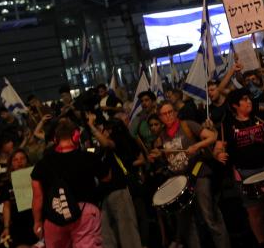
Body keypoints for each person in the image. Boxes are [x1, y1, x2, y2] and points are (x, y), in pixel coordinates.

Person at [214, 88, 264, 248]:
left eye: (249, 99)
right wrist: (218, 154)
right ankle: (262, 242)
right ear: (235, 105)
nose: (249, 102)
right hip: (245, 172)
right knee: (254, 210)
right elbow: (218, 148)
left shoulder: (261, 116)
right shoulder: (227, 125)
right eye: (244, 100)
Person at [149, 100, 229, 248]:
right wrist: (155, 156)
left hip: (197, 173)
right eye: (164, 114)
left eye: (170, 112)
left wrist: (196, 145)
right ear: (160, 117)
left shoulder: (187, 125)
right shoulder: (161, 137)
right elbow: (163, 160)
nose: (168, 116)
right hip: (179, 180)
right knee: (187, 222)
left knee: (208, 215)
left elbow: (212, 136)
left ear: (175, 112)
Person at [31, 118, 110, 248]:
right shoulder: (88, 157)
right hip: (85, 213)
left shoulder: (42, 165)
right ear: (76, 135)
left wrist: (37, 221)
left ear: (55, 139)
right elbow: (106, 177)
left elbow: (38, 197)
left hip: (54, 215)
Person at [87, 114, 143, 248]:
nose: (102, 132)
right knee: (108, 235)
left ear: (112, 130)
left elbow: (106, 143)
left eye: (105, 129)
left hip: (119, 190)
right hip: (105, 193)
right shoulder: (105, 150)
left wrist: (91, 125)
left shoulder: (119, 139)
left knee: (127, 231)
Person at [0, 149, 39, 248]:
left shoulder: (35, 178)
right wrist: (6, 227)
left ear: (27, 161)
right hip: (18, 224)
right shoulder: (7, 183)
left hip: (35, 220)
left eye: (22, 158)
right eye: (15, 160)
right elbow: (7, 206)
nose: (19, 162)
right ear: (11, 164)